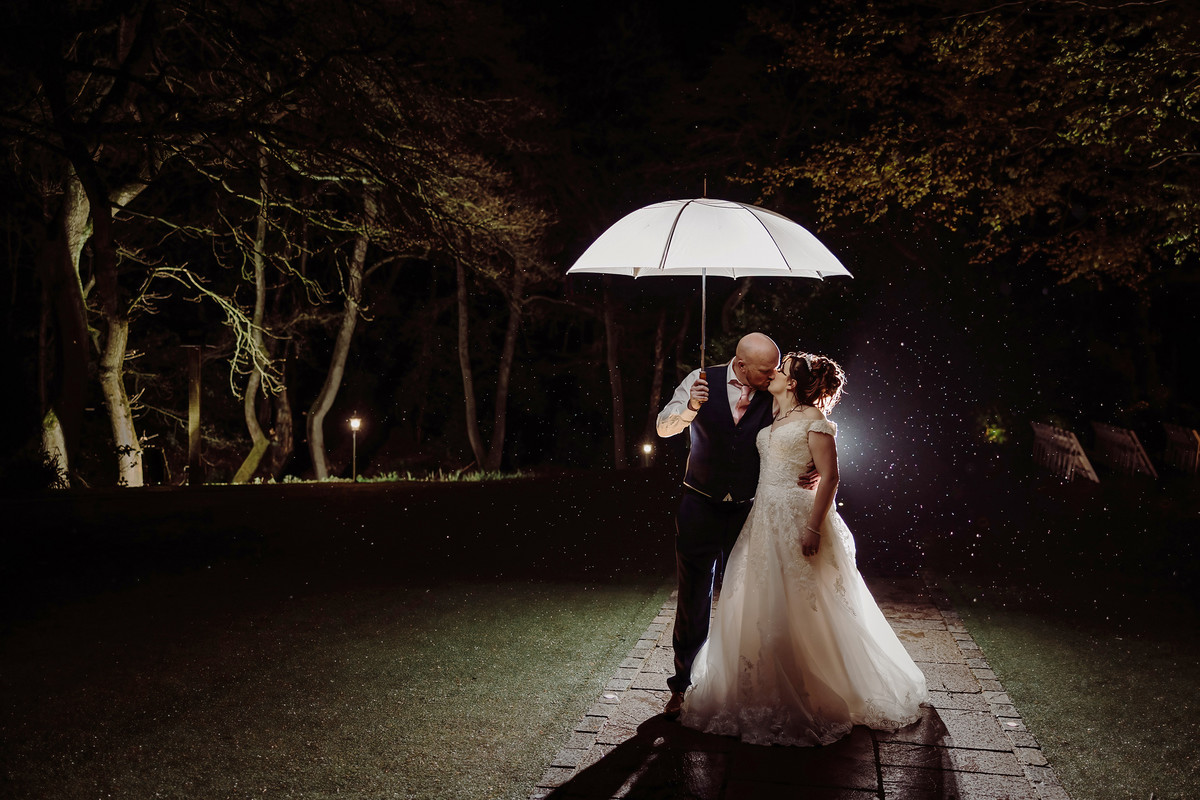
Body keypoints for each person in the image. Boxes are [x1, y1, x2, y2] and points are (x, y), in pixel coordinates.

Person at [678, 351, 928, 745]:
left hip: (796, 517)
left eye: (783, 368)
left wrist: (812, 526)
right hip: (763, 516)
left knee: (801, 603)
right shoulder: (774, 415)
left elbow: (830, 477)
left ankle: (811, 686)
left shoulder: (813, 420)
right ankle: (760, 684)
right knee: (759, 600)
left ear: (792, 382)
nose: (774, 372)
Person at [656, 332, 815, 718]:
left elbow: (807, 424)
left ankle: (745, 685)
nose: (773, 373)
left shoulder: (774, 390)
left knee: (750, 599)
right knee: (693, 599)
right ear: (741, 365)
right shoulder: (700, 380)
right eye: (765, 368)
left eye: (775, 367)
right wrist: (691, 406)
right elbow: (664, 428)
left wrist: (811, 466)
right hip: (699, 504)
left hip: (750, 508)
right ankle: (683, 686)